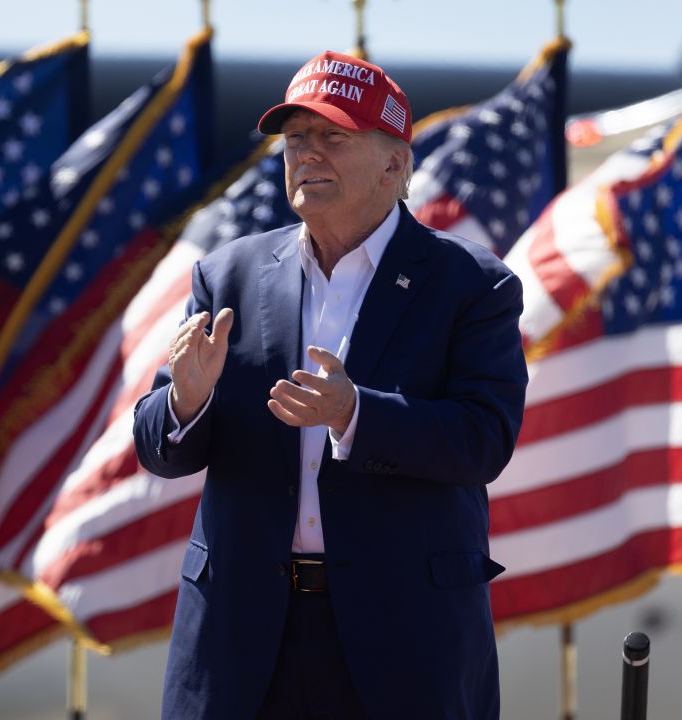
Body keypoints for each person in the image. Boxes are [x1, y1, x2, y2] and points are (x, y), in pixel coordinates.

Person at [133, 50, 528, 719]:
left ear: (395, 164)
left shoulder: (472, 285)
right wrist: (186, 401)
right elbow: (156, 444)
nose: (306, 155)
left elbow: (484, 439)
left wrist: (355, 414)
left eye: (333, 138)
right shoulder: (228, 275)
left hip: (403, 642)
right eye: (295, 142)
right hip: (241, 640)